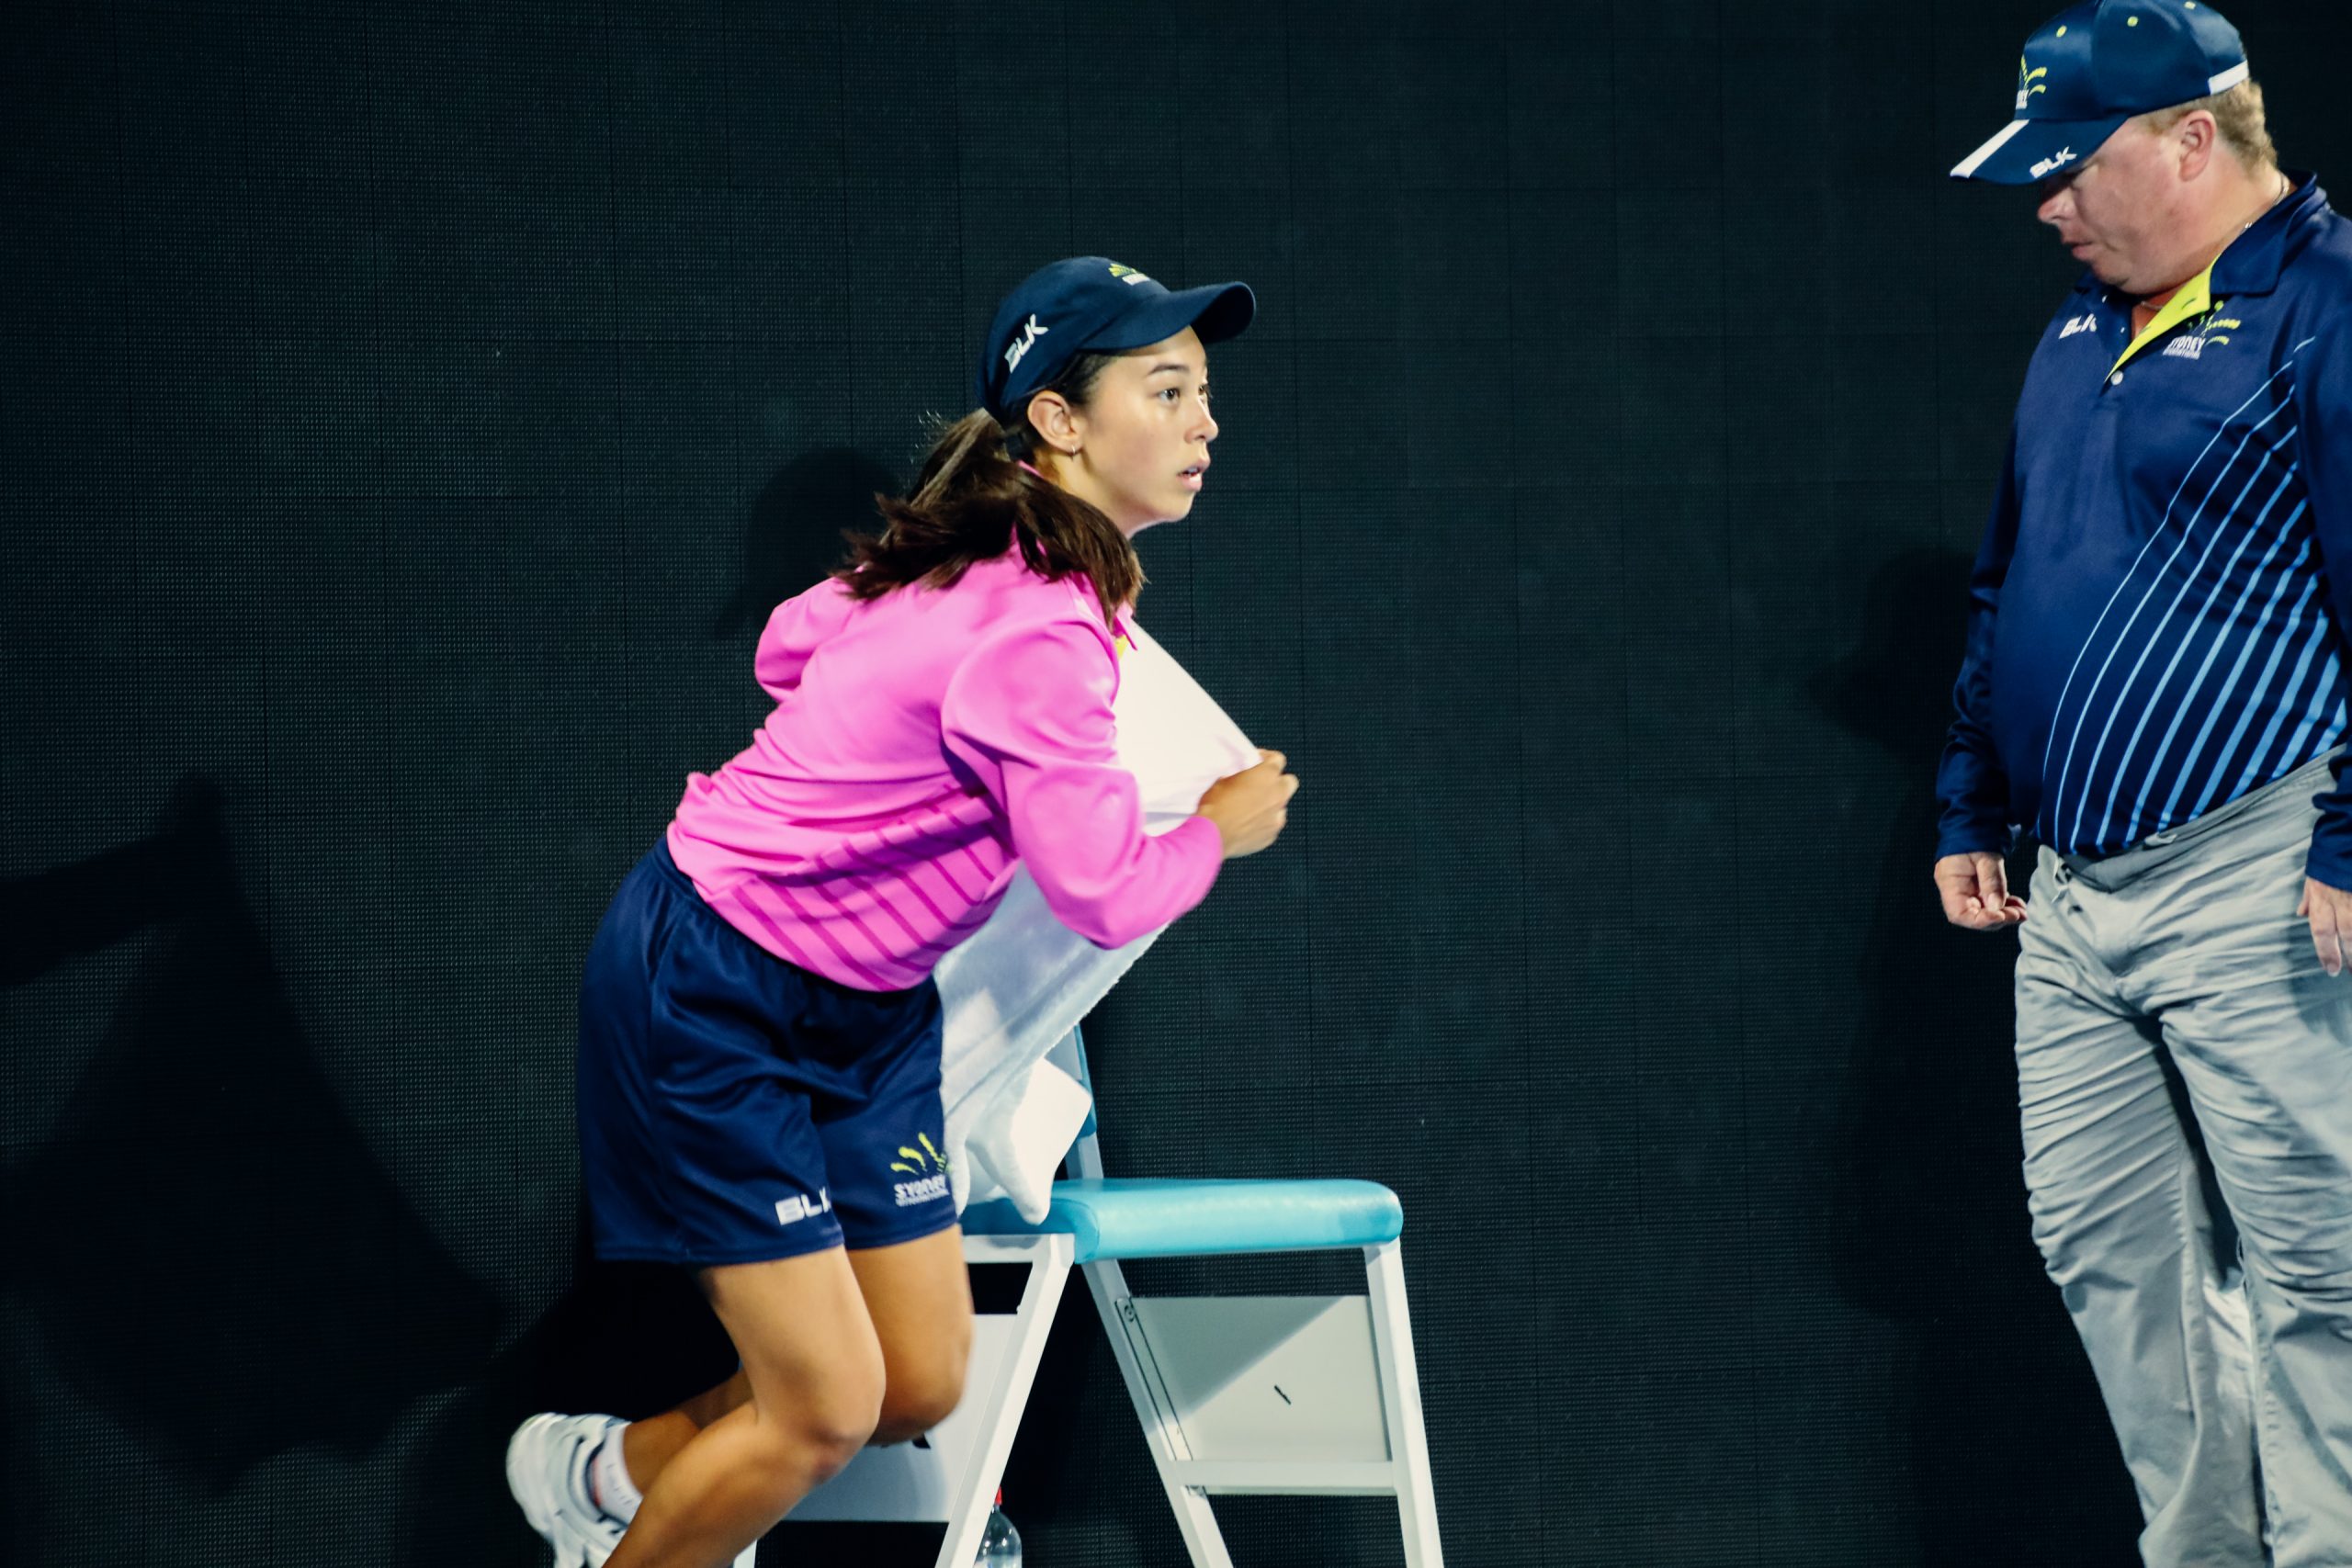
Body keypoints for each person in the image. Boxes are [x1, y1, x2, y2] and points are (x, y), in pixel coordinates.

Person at [504, 257, 1298, 1568]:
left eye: (1204, 391)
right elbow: (1104, 893)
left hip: (867, 1017)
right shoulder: (1039, 626)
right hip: (713, 986)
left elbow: (784, 647)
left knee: (918, 1383)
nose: (1206, 421)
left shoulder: (979, 557)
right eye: (1167, 390)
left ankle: (597, 1475)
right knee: (823, 1413)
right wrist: (1216, 828)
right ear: (1058, 419)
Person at [1936, 3, 2352, 1562]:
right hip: (2075, 889)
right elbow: (2012, 576)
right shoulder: (2075, 328)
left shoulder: (2328, 309)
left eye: (2070, 171)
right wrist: (1973, 796)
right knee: (2110, 1259)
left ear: (2194, 139)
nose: (2048, 207)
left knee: (2325, 1275)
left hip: (2269, 863)